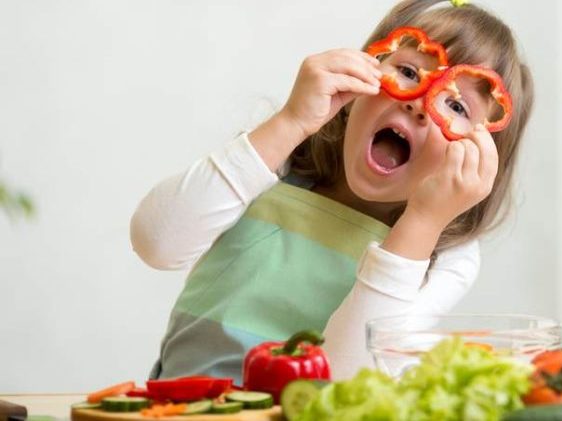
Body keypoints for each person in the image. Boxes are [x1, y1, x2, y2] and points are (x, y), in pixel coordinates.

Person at [130, 0, 534, 382]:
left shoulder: (448, 254)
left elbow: (347, 377)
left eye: (457, 106)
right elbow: (156, 243)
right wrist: (290, 121)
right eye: (409, 73)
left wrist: (423, 223)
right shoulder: (279, 160)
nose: (420, 104)